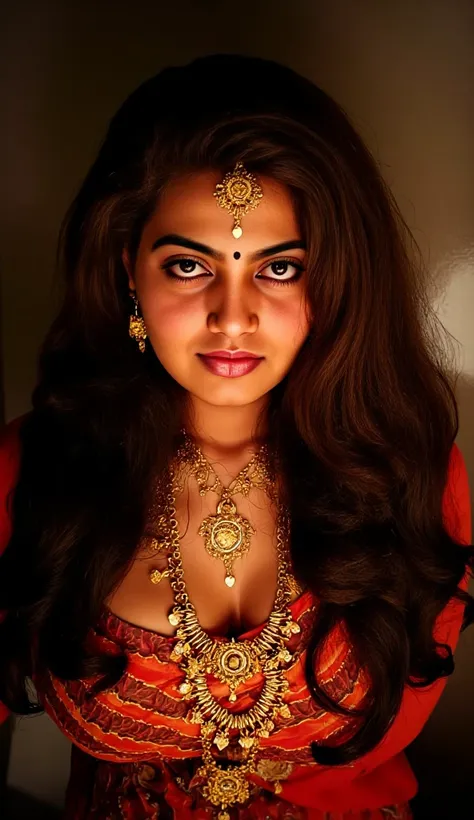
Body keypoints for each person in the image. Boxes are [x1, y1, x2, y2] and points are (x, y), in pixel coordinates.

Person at [0, 53, 472, 820]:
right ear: (128, 269)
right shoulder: (38, 469)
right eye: (189, 265)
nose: (232, 315)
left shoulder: (411, 474)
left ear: (336, 283)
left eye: (279, 269)